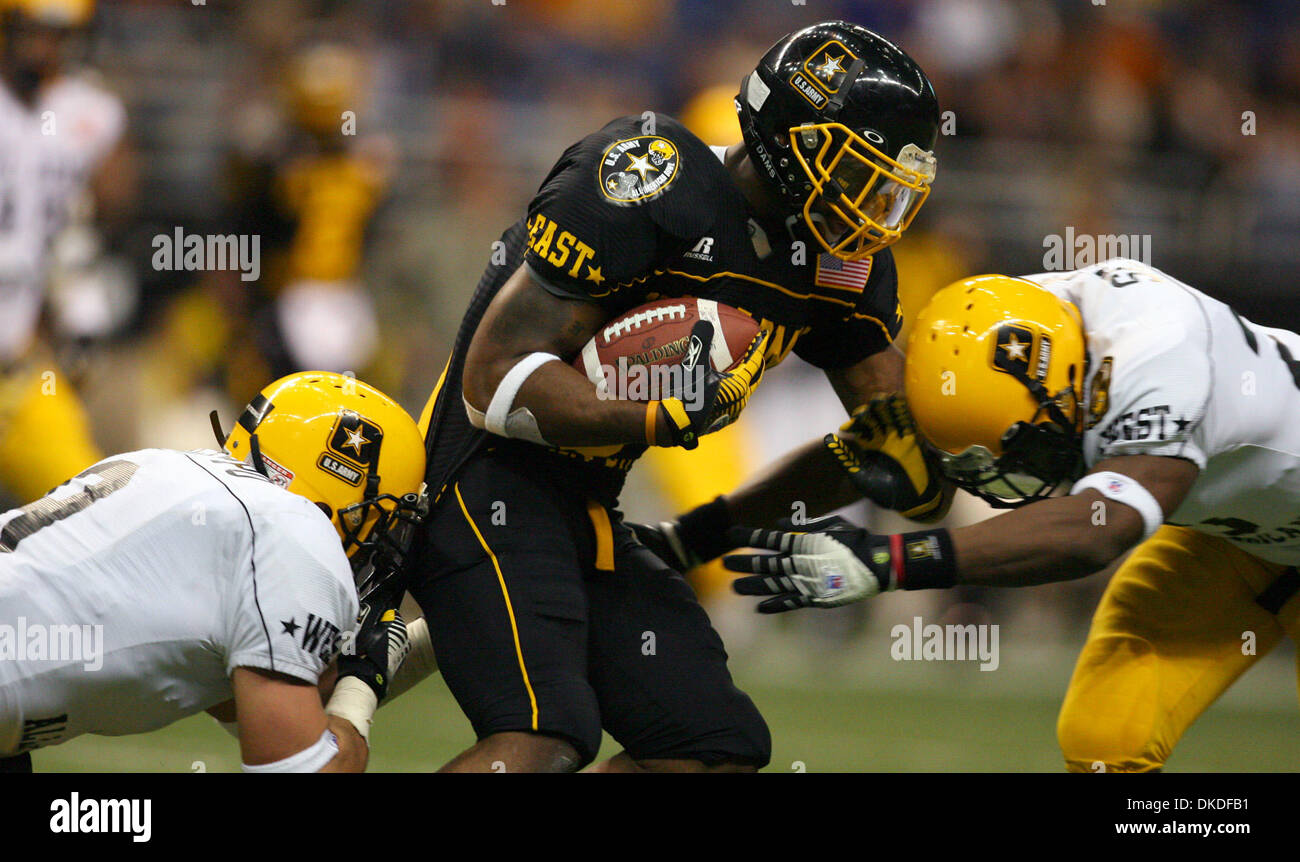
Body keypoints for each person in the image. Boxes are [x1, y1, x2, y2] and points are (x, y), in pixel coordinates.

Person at [411, 20, 946, 772]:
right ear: (798, 143)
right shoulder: (652, 179)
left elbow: (902, 442)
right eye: (862, 175)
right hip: (481, 477)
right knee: (541, 738)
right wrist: (657, 416)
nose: (876, 207)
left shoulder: (838, 266)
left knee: (713, 746)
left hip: (588, 501)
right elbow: (489, 379)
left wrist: (962, 433)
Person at [725, 258, 1300, 772]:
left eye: (1023, 447)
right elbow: (872, 449)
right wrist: (705, 529)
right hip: (1239, 538)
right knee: (1105, 743)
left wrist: (889, 560)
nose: (1008, 473)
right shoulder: (1002, 339)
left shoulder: (1159, 350)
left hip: (1241, 528)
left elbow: (1102, 528)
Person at [0, 372, 430, 773]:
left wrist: (427, 645)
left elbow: (257, 708)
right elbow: (300, 766)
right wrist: (359, 698)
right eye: (390, 518)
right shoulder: (294, 530)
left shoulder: (175, 473)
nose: (387, 538)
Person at [0, 0, 137, 503]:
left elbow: (114, 208)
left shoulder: (89, 111)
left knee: (92, 512)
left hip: (21, 366)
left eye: (58, 34)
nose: (44, 47)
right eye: (33, 31)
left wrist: (75, 293)